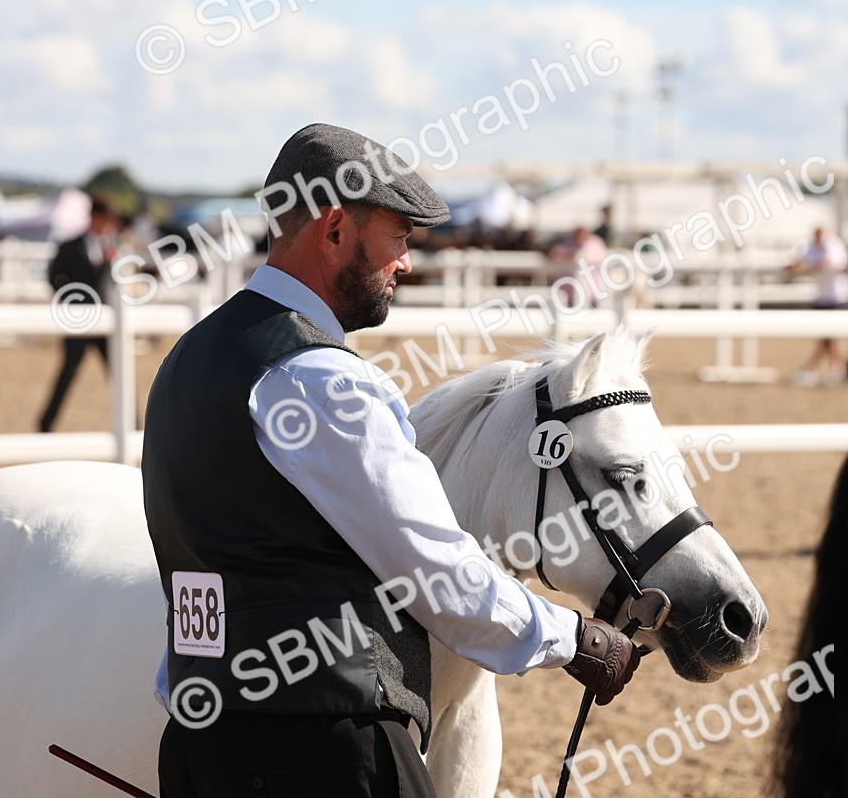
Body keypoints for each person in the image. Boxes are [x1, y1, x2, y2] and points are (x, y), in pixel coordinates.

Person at [142, 123, 639, 798]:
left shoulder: (187, 360)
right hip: (324, 745)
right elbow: (435, 570)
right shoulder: (322, 379)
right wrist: (574, 639)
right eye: (400, 235)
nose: (406, 261)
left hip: (199, 739)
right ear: (338, 229)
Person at [36, 196, 118, 432]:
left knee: (117, 372)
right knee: (67, 373)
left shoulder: (108, 247)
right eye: (106, 220)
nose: (109, 225)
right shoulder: (70, 246)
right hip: (79, 320)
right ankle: (46, 423)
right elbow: (54, 278)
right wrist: (71, 300)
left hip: (104, 320)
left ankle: (134, 423)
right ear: (94, 218)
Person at [786, 226, 848, 386]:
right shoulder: (812, 246)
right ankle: (836, 368)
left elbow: (829, 263)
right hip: (821, 296)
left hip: (836, 296)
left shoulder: (835, 245)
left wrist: (809, 266)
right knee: (827, 337)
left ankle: (818, 368)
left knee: (829, 336)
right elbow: (800, 262)